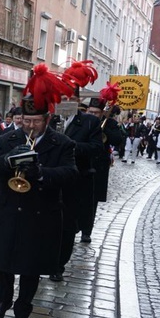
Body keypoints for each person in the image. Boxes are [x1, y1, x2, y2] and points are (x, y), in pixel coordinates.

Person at [0, 78, 77, 318]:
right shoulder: (8, 138)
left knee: (30, 268)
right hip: (9, 211)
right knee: (2, 264)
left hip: (41, 215)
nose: (30, 126)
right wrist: (7, 160)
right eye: (26, 121)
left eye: (35, 122)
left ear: (47, 119)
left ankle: (23, 311)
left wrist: (40, 173)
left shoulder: (62, 143)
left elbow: (70, 175)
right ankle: (1, 301)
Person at [54, 67, 103, 279]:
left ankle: (58, 266)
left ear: (77, 99)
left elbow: (96, 148)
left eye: (70, 98)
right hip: (50, 179)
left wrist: (71, 145)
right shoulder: (50, 119)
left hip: (76, 181)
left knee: (67, 227)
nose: (66, 101)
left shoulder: (90, 122)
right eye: (62, 97)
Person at [85, 94, 123, 241]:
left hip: (99, 165)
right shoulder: (82, 121)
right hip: (83, 163)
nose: (93, 115)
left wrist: (104, 130)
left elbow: (118, 139)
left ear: (102, 113)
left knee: (93, 199)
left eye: (96, 113)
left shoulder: (110, 124)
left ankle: (87, 231)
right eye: (91, 112)